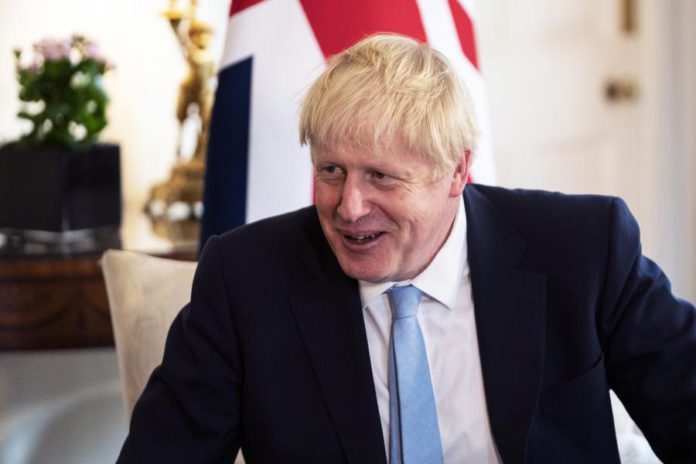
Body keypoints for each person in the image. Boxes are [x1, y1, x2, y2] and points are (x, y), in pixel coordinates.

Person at [118, 34, 696, 463]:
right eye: (331, 170)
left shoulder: (583, 251)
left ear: (457, 171)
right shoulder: (246, 280)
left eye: (382, 177)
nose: (349, 207)